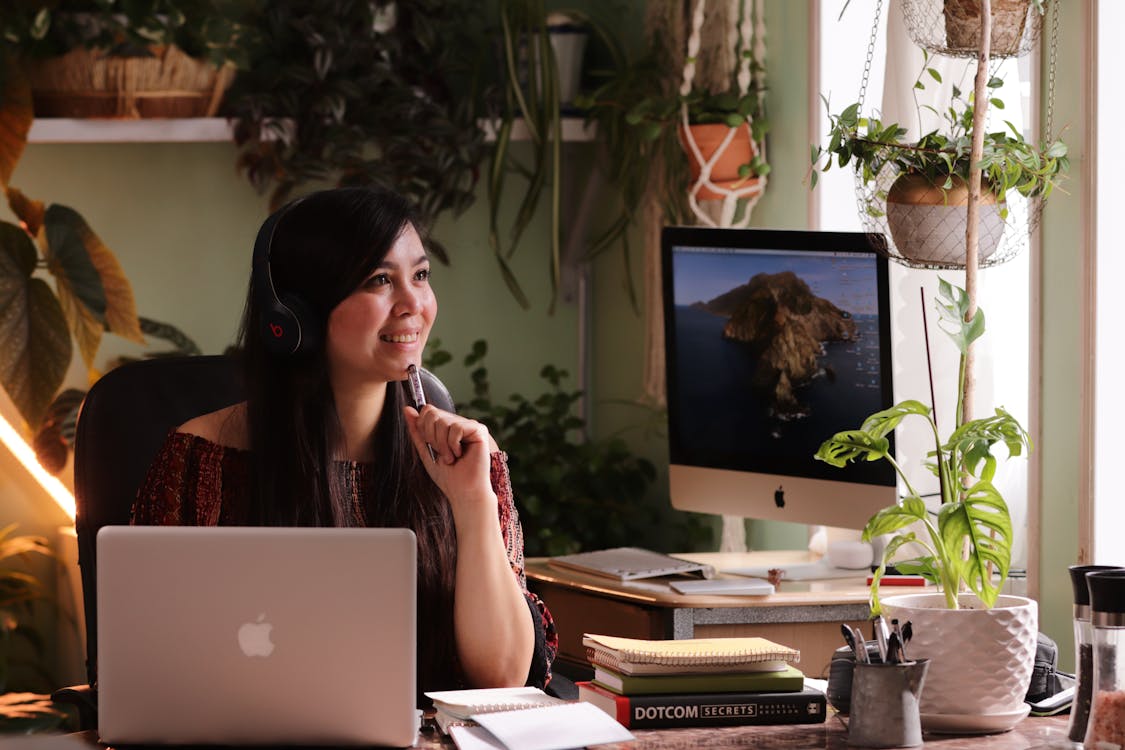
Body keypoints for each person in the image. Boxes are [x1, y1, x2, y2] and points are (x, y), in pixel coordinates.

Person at [131, 186, 557, 700]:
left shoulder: (463, 457)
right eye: (380, 280)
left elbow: (503, 679)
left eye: (420, 276)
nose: (414, 305)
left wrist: (472, 504)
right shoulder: (202, 459)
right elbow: (146, 663)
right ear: (294, 316)